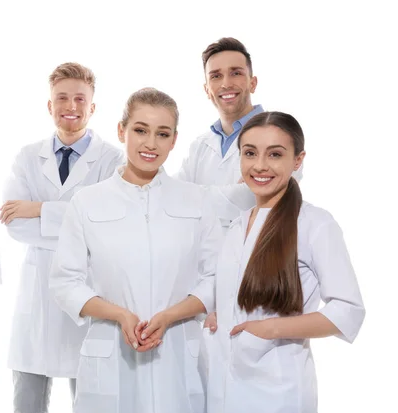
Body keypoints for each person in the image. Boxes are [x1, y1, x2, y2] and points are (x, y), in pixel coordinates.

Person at [49, 88, 222, 413]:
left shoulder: (197, 200)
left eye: (162, 134)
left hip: (178, 354)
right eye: (140, 130)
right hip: (112, 355)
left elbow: (217, 277)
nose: (151, 143)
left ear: (173, 141)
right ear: (121, 131)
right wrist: (121, 315)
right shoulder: (88, 202)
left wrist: (170, 315)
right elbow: (64, 282)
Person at [203, 111, 365, 413]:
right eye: (250, 153)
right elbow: (240, 295)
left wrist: (272, 328)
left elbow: (349, 310)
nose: (260, 165)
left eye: (275, 154)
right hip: (222, 386)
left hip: (278, 391)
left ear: (298, 160)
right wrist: (220, 313)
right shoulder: (236, 225)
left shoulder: (315, 223)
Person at [0, 62, 124, 413]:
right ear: (49, 105)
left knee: (89, 400)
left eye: (80, 99)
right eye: (62, 98)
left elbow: (105, 226)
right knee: (26, 400)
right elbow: (13, 223)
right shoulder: (27, 157)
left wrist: (38, 208)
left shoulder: (113, 160)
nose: (71, 106)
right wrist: (74, 219)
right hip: (36, 296)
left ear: (93, 107)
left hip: (86, 292)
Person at [177, 37, 302, 228]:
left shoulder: (282, 135)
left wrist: (193, 195)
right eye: (216, 76)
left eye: (235, 73)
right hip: (203, 256)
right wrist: (231, 193)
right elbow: (173, 197)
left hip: (257, 255)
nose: (226, 84)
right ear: (206, 90)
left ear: (253, 83)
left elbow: (252, 200)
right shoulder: (199, 146)